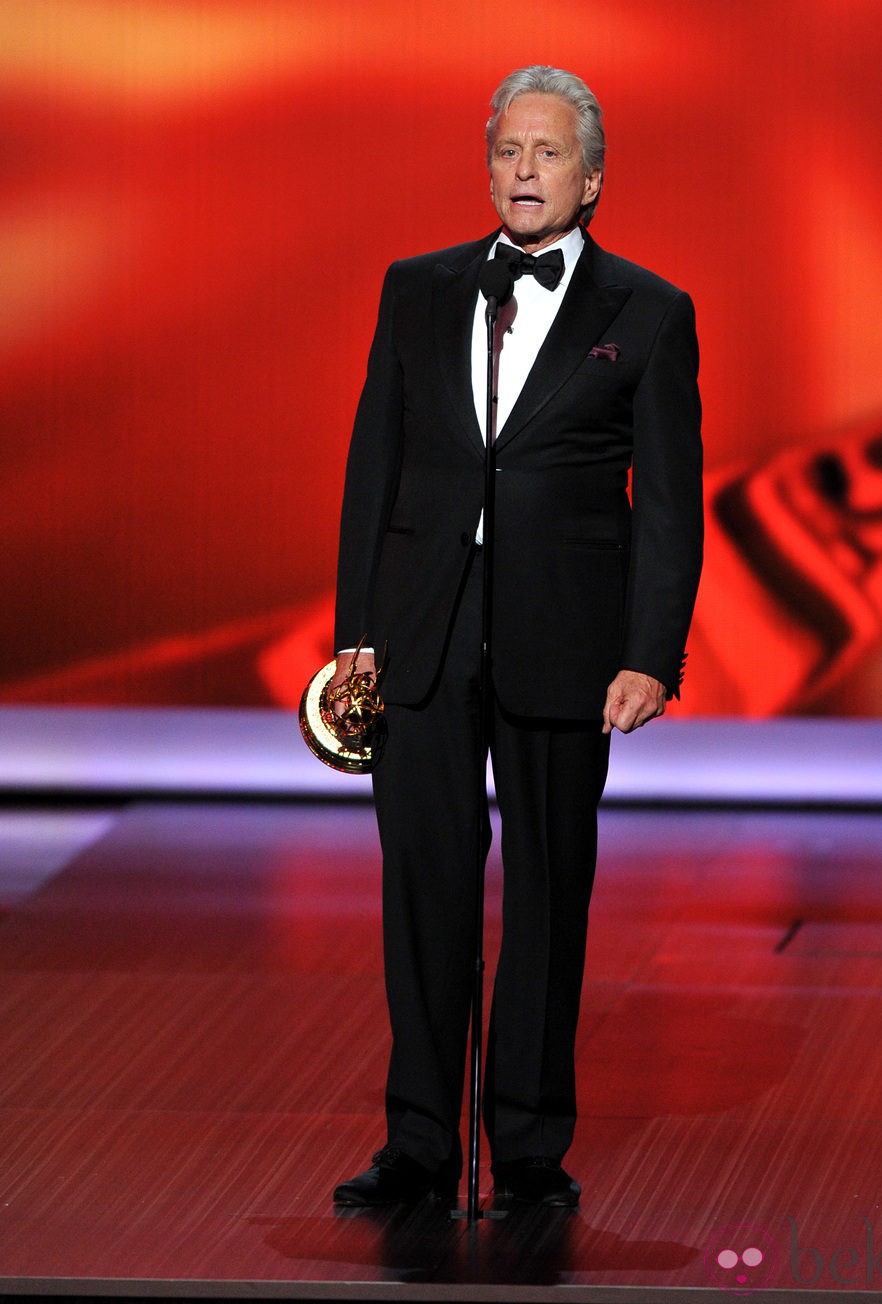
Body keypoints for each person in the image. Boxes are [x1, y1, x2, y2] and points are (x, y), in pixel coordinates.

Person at [330, 65, 703, 1208]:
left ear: (590, 178)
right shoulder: (418, 289)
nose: (523, 172)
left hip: (565, 642)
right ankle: (420, 1144)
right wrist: (356, 638)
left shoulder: (646, 309)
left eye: (546, 154)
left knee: (547, 890)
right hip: (424, 640)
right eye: (506, 152)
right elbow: (372, 469)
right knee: (424, 888)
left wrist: (648, 651)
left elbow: (669, 500)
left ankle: (531, 1146)